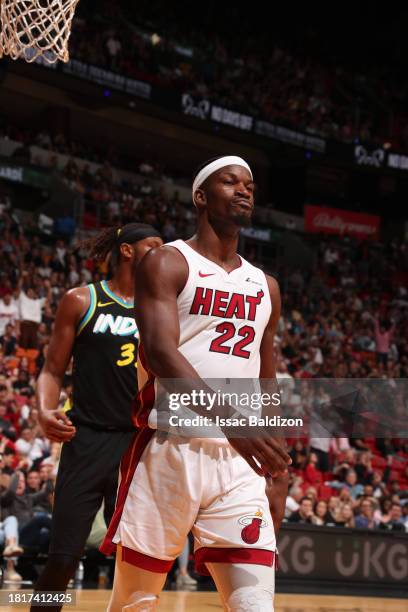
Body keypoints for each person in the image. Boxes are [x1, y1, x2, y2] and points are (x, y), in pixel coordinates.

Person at [101, 156, 291, 611]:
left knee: (254, 605)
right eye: (230, 183)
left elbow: (267, 377)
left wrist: (278, 458)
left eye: (249, 184)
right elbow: (162, 355)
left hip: (238, 461)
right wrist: (235, 423)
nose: (244, 190)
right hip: (170, 447)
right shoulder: (167, 261)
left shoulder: (266, 285)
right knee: (134, 602)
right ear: (201, 196)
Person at [30, 223, 163, 612]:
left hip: (138, 442)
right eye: (152, 246)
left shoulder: (160, 309)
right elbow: (53, 369)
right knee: (62, 559)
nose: (161, 253)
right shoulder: (81, 300)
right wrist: (43, 410)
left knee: (136, 561)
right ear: (126, 251)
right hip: (85, 439)